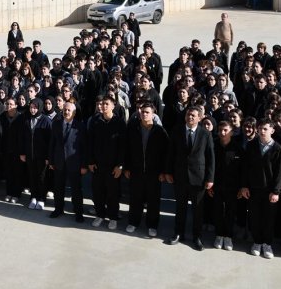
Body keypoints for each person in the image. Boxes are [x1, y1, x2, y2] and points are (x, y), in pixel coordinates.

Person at [165, 106, 215, 250]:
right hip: (180, 176)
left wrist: (210, 178)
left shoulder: (205, 134)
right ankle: (178, 233)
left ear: (199, 118)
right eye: (188, 114)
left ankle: (197, 237)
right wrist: (168, 172)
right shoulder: (177, 130)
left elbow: (210, 157)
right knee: (180, 207)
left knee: (197, 210)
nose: (190, 117)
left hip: (198, 178)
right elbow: (170, 153)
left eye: (193, 115)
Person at [239, 118, 281, 259]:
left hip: (270, 191)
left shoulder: (278, 149)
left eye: (265, 129)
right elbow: (245, 168)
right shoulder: (251, 145)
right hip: (254, 189)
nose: (262, 131)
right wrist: (244, 186)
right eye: (260, 129)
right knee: (254, 217)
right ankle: (257, 242)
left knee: (268, 218)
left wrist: (276, 191)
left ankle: (267, 244)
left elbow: (280, 172)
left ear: (272, 130)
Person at [123, 103, 169, 237]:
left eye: (147, 112)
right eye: (142, 112)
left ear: (153, 114)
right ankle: (133, 222)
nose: (144, 114)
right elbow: (127, 150)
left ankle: (152, 225)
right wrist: (126, 167)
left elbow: (166, 154)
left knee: (153, 200)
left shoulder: (160, 131)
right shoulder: (133, 129)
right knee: (135, 198)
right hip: (136, 170)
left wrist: (163, 171)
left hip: (154, 173)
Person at [86, 96, 126, 230]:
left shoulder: (119, 122)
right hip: (97, 165)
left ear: (113, 106)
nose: (103, 106)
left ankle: (113, 217)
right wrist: (90, 161)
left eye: (107, 104)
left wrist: (120, 165)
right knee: (98, 191)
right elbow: (90, 142)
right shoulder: (95, 121)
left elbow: (123, 146)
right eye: (102, 104)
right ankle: (100, 215)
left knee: (112, 193)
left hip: (113, 166)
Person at [48, 101, 87, 222]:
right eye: (65, 110)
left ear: (74, 113)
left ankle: (78, 212)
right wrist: (51, 161)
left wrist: (84, 165)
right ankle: (58, 209)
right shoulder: (56, 124)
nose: (66, 112)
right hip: (59, 162)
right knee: (58, 188)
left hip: (74, 163)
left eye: (69, 110)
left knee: (76, 189)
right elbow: (52, 143)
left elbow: (84, 147)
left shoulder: (80, 126)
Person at [211, 119, 243, 250]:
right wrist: (209, 184)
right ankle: (219, 235)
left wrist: (241, 187)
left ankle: (228, 236)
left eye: (226, 130)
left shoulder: (238, 148)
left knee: (231, 211)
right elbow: (209, 166)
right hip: (216, 185)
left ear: (232, 132)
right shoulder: (213, 145)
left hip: (233, 186)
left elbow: (242, 170)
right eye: (220, 130)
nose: (222, 133)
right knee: (218, 210)